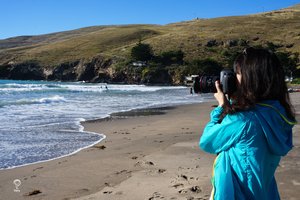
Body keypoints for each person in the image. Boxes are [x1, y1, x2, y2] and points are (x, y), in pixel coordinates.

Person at [199, 47, 296, 200]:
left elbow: (207, 142)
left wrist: (220, 108)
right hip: (264, 191)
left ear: (252, 77)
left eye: (237, 73)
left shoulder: (243, 120)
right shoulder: (278, 113)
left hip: (237, 194)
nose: (234, 78)